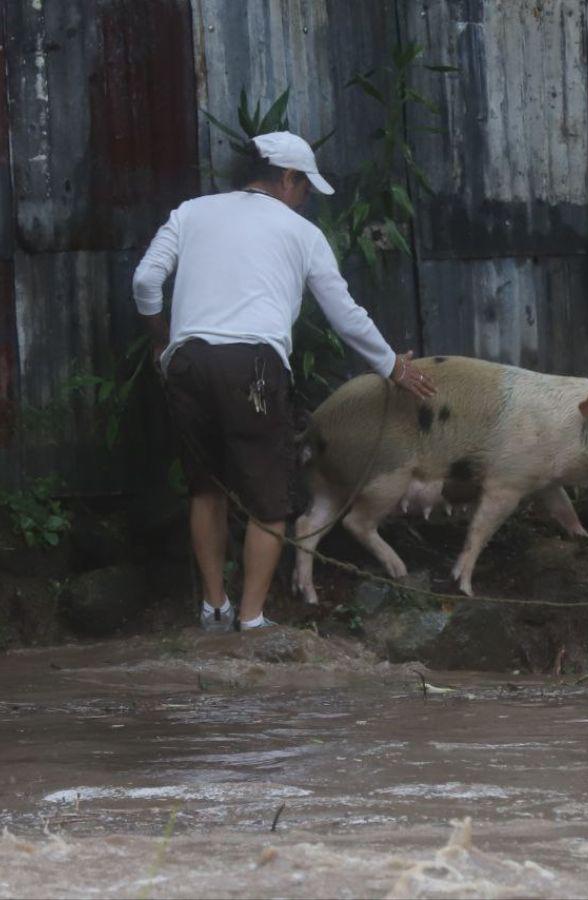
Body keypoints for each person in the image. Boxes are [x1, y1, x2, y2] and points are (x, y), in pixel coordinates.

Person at [132, 131, 435, 633]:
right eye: (306, 189)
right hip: (252, 366)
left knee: (204, 489)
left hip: (188, 363)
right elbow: (345, 314)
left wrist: (161, 341)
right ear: (288, 178)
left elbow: (145, 281)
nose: (306, 201)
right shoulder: (301, 234)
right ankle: (251, 619)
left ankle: (214, 608)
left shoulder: (191, 212)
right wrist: (392, 366)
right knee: (268, 500)